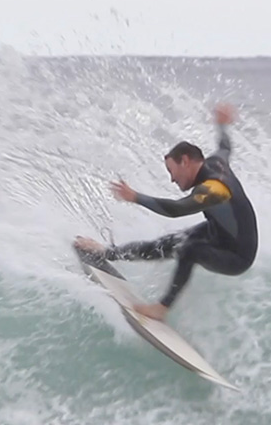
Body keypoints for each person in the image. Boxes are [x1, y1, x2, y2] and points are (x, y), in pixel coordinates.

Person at [74, 103, 257, 322]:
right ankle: (106, 253)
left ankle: (161, 308)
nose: (172, 178)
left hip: (237, 255)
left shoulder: (215, 188)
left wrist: (136, 197)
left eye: (172, 170)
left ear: (185, 161)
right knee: (169, 243)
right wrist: (222, 125)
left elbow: (176, 209)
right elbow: (225, 147)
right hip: (217, 233)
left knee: (190, 249)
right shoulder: (216, 162)